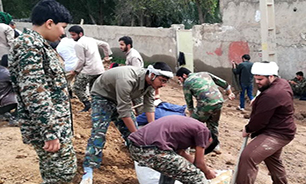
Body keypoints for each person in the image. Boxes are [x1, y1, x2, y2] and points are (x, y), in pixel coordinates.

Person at [8, 0, 77, 183]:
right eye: (63, 27)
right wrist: (50, 132)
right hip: (51, 128)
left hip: (56, 125)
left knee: (57, 174)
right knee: (62, 174)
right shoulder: (29, 45)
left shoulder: (40, 45)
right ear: (49, 23)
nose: (63, 33)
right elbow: (34, 92)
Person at [80, 62, 173, 184]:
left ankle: (141, 159)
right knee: (99, 132)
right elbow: (124, 112)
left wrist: (152, 131)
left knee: (133, 133)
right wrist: (139, 136)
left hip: (119, 98)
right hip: (102, 96)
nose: (164, 85)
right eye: (162, 80)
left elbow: (149, 106)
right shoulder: (127, 79)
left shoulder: (150, 84)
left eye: (165, 81)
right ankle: (88, 169)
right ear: (152, 75)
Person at [236, 61, 296, 184]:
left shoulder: (271, 95)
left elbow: (259, 120)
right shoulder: (282, 83)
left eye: (260, 79)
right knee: (273, 160)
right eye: (256, 79)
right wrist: (258, 100)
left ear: (271, 76)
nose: (257, 82)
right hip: (284, 128)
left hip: (277, 133)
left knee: (248, 157)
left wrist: (247, 129)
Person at [128, 115, 217, 184]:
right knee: (196, 176)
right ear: (209, 140)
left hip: (135, 147)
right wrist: (207, 172)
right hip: (150, 150)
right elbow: (199, 163)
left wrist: (206, 168)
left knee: (173, 168)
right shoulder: (203, 131)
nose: (194, 148)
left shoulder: (186, 128)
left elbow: (181, 154)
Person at [176, 67, 235, 154]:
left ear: (184, 75)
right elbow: (224, 83)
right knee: (213, 123)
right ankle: (215, 146)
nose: (180, 81)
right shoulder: (205, 73)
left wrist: (193, 117)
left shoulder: (187, 82)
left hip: (206, 103)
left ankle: (188, 147)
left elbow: (189, 102)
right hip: (219, 101)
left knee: (192, 124)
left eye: (179, 79)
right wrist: (230, 93)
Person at [68, 25, 112, 112]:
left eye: (73, 35)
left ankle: (87, 104)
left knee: (77, 88)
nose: (72, 37)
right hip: (99, 70)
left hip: (89, 70)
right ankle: (97, 109)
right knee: (94, 91)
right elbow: (105, 44)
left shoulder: (79, 44)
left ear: (80, 34)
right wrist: (107, 55)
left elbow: (81, 60)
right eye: (71, 35)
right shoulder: (91, 40)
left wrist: (75, 71)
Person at [119, 36, 144, 114]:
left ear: (128, 45)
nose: (120, 47)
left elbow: (137, 72)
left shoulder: (134, 56)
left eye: (122, 45)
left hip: (136, 84)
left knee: (139, 104)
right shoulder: (130, 54)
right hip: (133, 82)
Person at [0, 54, 18, 125]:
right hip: (4, 105)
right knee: (24, 94)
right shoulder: (7, 73)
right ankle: (15, 118)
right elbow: (19, 84)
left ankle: (3, 115)